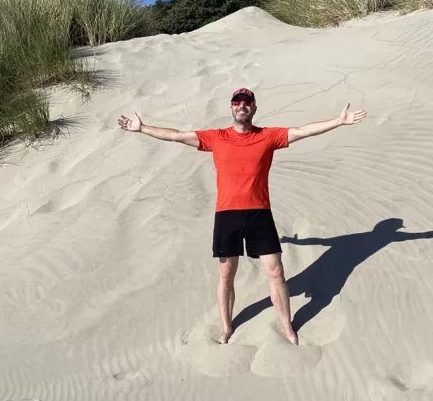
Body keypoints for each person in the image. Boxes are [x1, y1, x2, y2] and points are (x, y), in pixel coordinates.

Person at [117, 88, 366, 345]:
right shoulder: (217, 138)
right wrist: (142, 128)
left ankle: (287, 327)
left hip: (259, 213)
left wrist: (338, 121)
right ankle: (226, 327)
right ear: (231, 108)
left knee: (275, 270)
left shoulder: (268, 136)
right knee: (227, 272)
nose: (241, 106)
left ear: (254, 108)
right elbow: (177, 136)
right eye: (237, 102)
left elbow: (302, 131)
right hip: (227, 214)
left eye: (246, 102)